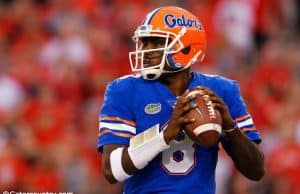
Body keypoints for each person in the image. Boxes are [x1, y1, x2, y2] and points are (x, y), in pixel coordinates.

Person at [98, 6, 265, 194]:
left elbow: (256, 170)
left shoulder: (222, 90)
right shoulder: (124, 90)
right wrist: (164, 135)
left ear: (185, 48)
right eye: (145, 43)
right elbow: (111, 170)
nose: (147, 50)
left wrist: (230, 128)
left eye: (156, 43)